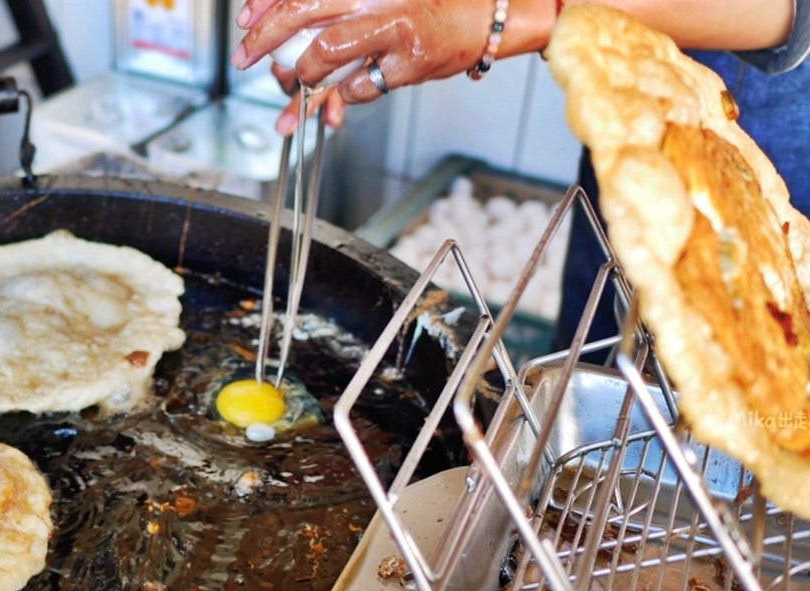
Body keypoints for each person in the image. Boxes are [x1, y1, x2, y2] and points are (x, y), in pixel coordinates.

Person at [230, 0, 810, 350]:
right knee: (589, 390)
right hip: (634, 108)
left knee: (726, 441)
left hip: (757, 131)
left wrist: (507, 17)